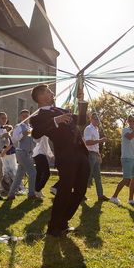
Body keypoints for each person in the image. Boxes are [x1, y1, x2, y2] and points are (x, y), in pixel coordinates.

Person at [30, 84, 89, 236]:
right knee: (65, 189)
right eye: (48, 91)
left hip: (81, 153)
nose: (52, 93)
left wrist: (82, 102)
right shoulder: (37, 118)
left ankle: (63, 221)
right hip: (66, 156)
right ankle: (53, 226)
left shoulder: (63, 110)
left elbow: (82, 121)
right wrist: (56, 120)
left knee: (81, 190)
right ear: (40, 97)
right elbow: (36, 134)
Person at [110, 115, 134, 205]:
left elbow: (133, 145)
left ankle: (131, 199)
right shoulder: (125, 130)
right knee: (126, 179)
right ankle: (114, 197)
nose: (132, 122)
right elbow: (130, 137)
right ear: (128, 122)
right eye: (130, 121)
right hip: (126, 158)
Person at [7, 110, 37, 200]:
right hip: (22, 152)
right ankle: (31, 194)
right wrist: (22, 134)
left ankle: (11, 194)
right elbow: (13, 140)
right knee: (33, 173)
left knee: (19, 175)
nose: (25, 117)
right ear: (20, 117)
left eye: (27, 116)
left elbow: (33, 140)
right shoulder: (18, 126)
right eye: (23, 116)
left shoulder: (30, 127)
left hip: (28, 153)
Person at [83, 112, 109, 201]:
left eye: (98, 118)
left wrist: (99, 155)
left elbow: (96, 145)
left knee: (98, 176)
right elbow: (87, 142)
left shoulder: (96, 129)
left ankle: (100, 195)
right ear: (91, 119)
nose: (97, 120)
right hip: (89, 154)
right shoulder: (88, 128)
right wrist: (100, 140)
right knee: (87, 176)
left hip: (95, 154)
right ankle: (81, 194)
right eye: (94, 118)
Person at [32, 135, 54, 199]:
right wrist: (51, 155)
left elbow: (45, 144)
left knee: (39, 173)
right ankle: (37, 189)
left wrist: (50, 155)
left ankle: (37, 191)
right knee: (47, 173)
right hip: (40, 154)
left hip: (36, 154)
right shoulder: (43, 133)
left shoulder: (44, 133)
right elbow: (45, 145)